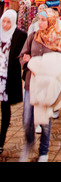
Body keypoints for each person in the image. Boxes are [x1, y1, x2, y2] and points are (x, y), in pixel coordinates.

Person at [19, 8, 61, 162]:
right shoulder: (32, 36)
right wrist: (26, 62)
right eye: (39, 19)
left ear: (51, 21)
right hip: (30, 84)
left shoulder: (57, 39)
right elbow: (22, 55)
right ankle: (29, 142)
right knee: (27, 119)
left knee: (44, 120)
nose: (40, 23)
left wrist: (46, 68)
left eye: (43, 20)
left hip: (47, 86)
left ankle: (43, 151)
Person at [0, 9, 27, 154]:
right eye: (3, 21)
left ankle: (1, 140)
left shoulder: (20, 36)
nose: (5, 24)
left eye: (8, 22)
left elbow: (23, 56)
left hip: (8, 79)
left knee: (5, 109)